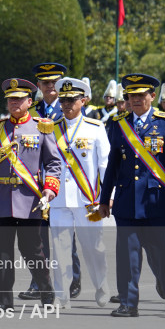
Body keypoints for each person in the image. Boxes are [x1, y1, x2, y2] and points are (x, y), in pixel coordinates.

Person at [98, 73, 165, 317]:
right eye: (132, 95)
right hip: (127, 201)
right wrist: (104, 197)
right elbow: (113, 164)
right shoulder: (119, 123)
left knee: (164, 254)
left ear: (152, 96)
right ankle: (128, 303)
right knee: (127, 256)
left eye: (141, 95)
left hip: (157, 202)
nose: (136, 99)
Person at [0, 78, 61, 310]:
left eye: (19, 99)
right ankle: (3, 301)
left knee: (32, 250)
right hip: (2, 198)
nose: (14, 103)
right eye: (11, 99)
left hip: (30, 199)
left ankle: (46, 290)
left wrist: (50, 189)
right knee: (2, 252)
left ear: (30, 101)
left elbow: (53, 163)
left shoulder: (42, 128)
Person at [47, 77, 110, 309]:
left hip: (89, 202)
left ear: (83, 100)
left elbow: (105, 165)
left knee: (94, 247)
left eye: (71, 100)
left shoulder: (96, 128)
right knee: (60, 249)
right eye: (63, 100)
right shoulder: (51, 129)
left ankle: (102, 287)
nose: (66, 104)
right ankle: (61, 295)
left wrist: (107, 197)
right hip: (59, 200)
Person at [24, 62, 80, 300]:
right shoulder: (31, 111)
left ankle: (72, 278)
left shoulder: (70, 109)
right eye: (45, 83)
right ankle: (40, 282)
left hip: (64, 181)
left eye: (54, 82)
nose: (50, 87)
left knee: (64, 234)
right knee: (37, 237)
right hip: (36, 181)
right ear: (38, 85)